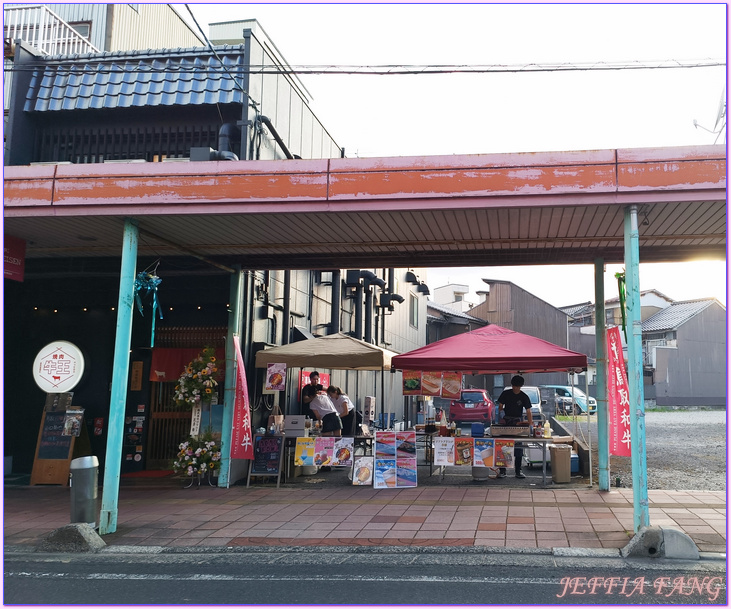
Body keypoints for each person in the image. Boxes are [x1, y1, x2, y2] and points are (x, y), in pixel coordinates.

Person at [497, 374, 533, 479]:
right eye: (514, 386)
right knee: (504, 446)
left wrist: (530, 424)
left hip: (518, 422)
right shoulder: (506, 393)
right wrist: (501, 413)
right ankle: (502, 470)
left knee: (518, 447)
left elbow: (528, 411)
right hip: (506, 421)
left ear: (520, 386)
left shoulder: (523, 396)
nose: (515, 388)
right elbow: (500, 406)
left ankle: (518, 470)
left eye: (517, 386)